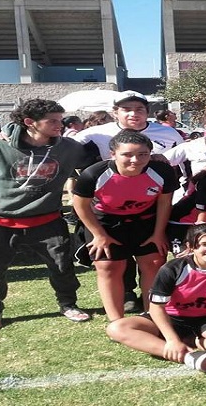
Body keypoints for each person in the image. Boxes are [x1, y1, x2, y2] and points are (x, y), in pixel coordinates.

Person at [0, 99, 94, 332]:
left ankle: (68, 304)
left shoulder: (68, 147)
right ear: (29, 123)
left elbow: (99, 160)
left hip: (46, 219)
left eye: (60, 119)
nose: (60, 125)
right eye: (52, 121)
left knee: (62, 265)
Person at [106, 224, 206, 372]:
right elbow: (156, 307)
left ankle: (191, 341)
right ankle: (187, 356)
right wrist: (172, 340)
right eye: (204, 244)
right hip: (172, 317)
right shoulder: (172, 269)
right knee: (117, 328)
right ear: (191, 246)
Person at [71, 131, 179, 322]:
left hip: (146, 221)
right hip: (105, 222)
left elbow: (164, 203)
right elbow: (80, 205)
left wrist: (158, 233)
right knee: (109, 267)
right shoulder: (93, 174)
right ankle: (116, 321)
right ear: (113, 154)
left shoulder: (162, 171)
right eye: (127, 155)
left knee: (154, 263)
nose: (135, 160)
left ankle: (152, 316)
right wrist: (99, 235)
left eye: (142, 154)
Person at [73, 91, 183, 160]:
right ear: (115, 113)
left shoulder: (169, 133)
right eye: (126, 110)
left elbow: (184, 161)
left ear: (147, 111)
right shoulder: (94, 134)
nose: (133, 114)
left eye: (139, 109)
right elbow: (65, 150)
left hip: (156, 191)